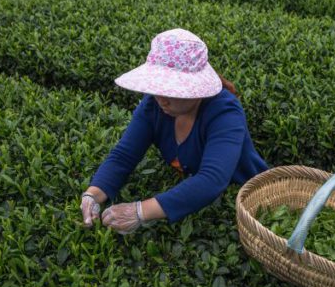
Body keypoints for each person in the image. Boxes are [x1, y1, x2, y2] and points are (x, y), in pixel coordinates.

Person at [80, 29, 268, 234]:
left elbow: (212, 180)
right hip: (195, 197)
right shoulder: (154, 104)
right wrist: (93, 194)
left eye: (172, 90)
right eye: (159, 87)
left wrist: (139, 211)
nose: (162, 98)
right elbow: (124, 155)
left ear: (197, 89)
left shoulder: (225, 112)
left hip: (246, 198)